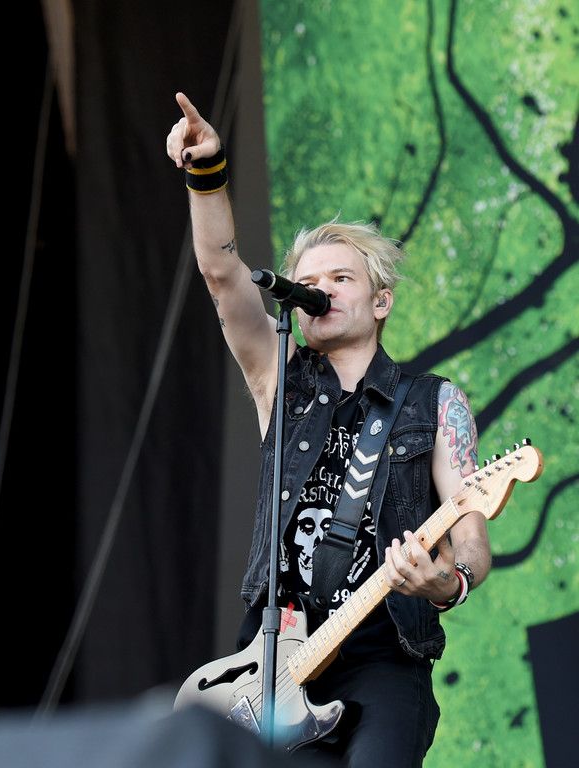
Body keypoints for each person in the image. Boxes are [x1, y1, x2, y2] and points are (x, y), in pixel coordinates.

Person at [166, 92, 492, 767]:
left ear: (381, 300)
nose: (323, 289)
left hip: (382, 654)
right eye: (309, 280)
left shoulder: (435, 403)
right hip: (273, 657)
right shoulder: (279, 377)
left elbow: (470, 533)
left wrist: (447, 583)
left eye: (341, 277)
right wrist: (207, 173)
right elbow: (222, 274)